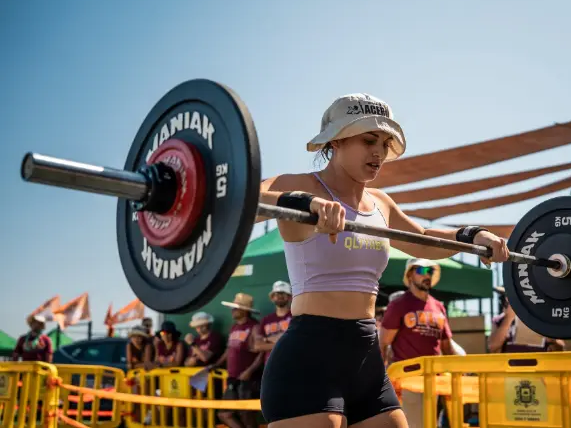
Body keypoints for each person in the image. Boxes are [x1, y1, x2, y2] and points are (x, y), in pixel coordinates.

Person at [256, 92, 510, 428]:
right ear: (336, 140)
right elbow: (247, 200)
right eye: (368, 140)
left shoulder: (381, 203)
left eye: (385, 143)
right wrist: (305, 204)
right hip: (309, 358)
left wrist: (473, 236)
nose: (379, 152)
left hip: (366, 359)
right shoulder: (299, 185)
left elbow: (425, 241)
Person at [378, 259, 459, 428]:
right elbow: (383, 343)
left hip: (435, 382)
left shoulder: (439, 306)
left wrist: (460, 370)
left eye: (430, 271)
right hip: (408, 380)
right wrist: (380, 380)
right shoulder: (399, 305)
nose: (427, 275)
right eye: (422, 270)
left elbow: (446, 346)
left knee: (431, 424)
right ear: (409, 275)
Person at [215, 293, 263, 428]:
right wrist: (216, 364)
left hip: (249, 379)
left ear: (244, 310)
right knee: (224, 414)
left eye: (235, 308)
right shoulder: (233, 327)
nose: (232, 311)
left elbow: (261, 352)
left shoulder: (254, 326)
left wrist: (250, 371)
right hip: (233, 377)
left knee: (246, 414)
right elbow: (228, 350)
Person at [488, 286, 564, 353]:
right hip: (511, 364)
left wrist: (552, 340)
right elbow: (492, 347)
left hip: (539, 363)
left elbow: (560, 349)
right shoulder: (499, 320)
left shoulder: (544, 319)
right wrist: (508, 319)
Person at [253, 281, 293, 365]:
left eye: (283, 293)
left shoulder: (296, 317)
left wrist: (267, 339)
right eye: (276, 294)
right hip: (270, 366)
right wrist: (284, 342)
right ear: (272, 298)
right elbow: (258, 346)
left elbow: (296, 343)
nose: (279, 296)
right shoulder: (266, 320)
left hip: (292, 364)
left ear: (289, 297)